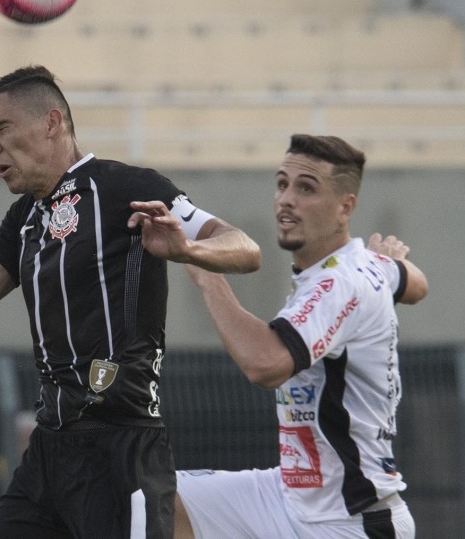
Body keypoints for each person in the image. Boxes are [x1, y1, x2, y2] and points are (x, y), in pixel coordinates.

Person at [0, 65, 261, 539]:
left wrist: (189, 249)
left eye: (0, 129)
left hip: (121, 446)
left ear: (51, 122)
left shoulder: (128, 188)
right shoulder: (24, 218)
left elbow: (245, 248)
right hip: (49, 452)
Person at [175, 134, 428, 539]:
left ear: (346, 207)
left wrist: (207, 275)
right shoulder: (363, 266)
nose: (286, 199)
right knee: (153, 500)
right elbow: (417, 284)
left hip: (349, 522)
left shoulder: (338, 282)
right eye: (281, 184)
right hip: (292, 497)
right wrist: (389, 266)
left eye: (305, 188)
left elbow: (265, 364)